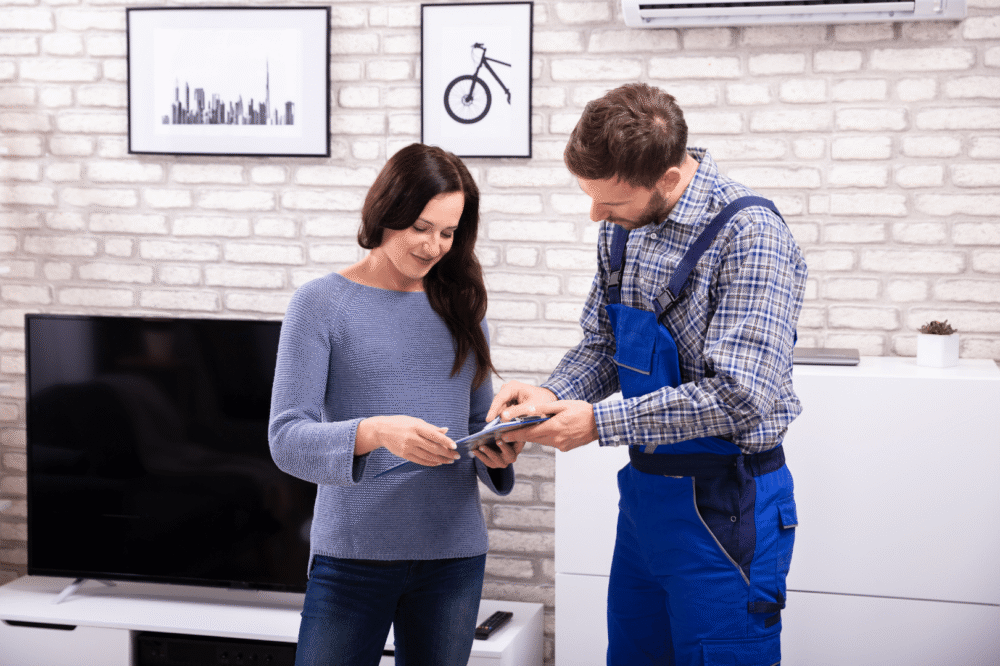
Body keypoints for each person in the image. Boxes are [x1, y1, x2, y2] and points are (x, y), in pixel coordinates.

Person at [488, 83, 808, 665]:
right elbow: (604, 344)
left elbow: (741, 398)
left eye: (609, 203)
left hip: (726, 505)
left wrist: (597, 423)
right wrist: (550, 394)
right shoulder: (621, 227)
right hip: (644, 499)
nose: (596, 215)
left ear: (666, 178)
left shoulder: (750, 234)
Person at [269, 143, 519, 666]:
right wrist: (377, 432)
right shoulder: (320, 304)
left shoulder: (464, 311)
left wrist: (498, 448)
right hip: (352, 557)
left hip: (453, 556)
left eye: (448, 233)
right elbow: (287, 438)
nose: (434, 246)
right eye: (421, 228)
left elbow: (476, 423)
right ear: (386, 213)